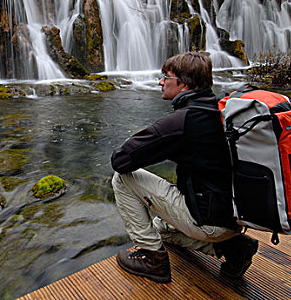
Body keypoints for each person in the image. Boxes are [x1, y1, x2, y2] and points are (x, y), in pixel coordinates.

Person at [110, 51, 258, 283]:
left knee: (122, 179)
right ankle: (233, 248)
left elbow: (120, 161)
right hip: (234, 216)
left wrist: (162, 142)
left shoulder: (181, 122)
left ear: (184, 84)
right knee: (159, 229)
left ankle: (153, 259)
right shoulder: (222, 110)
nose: (160, 82)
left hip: (207, 221)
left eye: (165, 77)